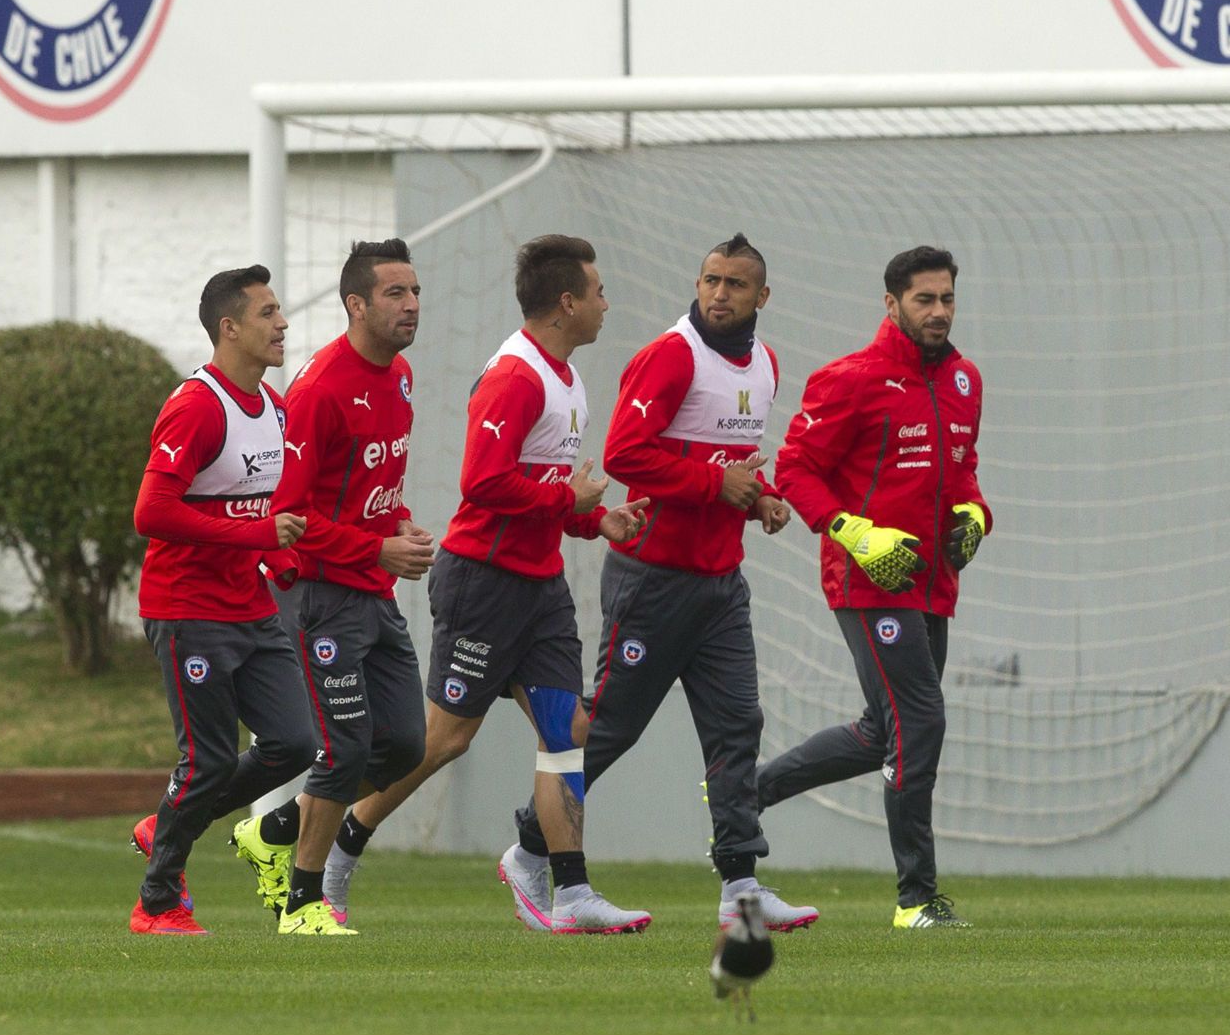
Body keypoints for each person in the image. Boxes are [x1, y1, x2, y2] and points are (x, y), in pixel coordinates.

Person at [323, 234, 653, 934]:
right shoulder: (516, 376)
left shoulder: (565, 377)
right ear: (566, 303)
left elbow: (546, 495)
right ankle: (340, 846)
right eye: (597, 292)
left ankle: (568, 889)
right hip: (483, 585)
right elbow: (483, 483)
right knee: (440, 741)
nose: (604, 304)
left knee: (569, 728)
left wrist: (599, 523)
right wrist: (573, 503)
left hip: (539, 586)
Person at [502, 233, 819, 932]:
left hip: (719, 585)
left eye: (736, 284)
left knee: (738, 727)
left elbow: (730, 461)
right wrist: (719, 483)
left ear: (761, 296)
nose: (719, 293)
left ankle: (741, 885)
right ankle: (530, 846)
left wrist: (759, 494)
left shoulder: (764, 362)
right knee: (608, 727)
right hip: (651, 581)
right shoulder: (670, 355)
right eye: (710, 279)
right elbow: (624, 454)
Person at [754, 245, 991, 930]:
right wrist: (852, 531)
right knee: (920, 721)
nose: (939, 311)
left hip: (931, 583)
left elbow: (964, 469)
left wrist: (976, 515)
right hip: (866, 580)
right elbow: (795, 469)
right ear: (891, 304)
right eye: (925, 299)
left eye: (947, 298)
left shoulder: (966, 380)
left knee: (880, 731)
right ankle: (916, 898)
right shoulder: (850, 378)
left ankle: (744, 790)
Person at [229, 239, 436, 935]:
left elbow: (379, 488)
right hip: (318, 594)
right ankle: (303, 903)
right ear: (356, 304)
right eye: (393, 294)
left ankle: (274, 830)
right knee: (343, 747)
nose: (410, 305)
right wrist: (376, 546)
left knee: (406, 745)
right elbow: (286, 516)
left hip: (372, 590)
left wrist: (400, 530)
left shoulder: (401, 375)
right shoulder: (318, 389)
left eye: (413, 291)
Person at [127, 265, 316, 936]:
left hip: (250, 605)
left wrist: (280, 556)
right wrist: (256, 533)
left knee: (295, 740)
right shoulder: (198, 405)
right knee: (205, 761)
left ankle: (171, 820)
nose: (283, 322)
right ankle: (156, 904)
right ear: (229, 327)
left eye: (280, 311)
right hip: (185, 609)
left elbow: (261, 511)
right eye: (267, 312)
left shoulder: (277, 408)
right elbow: (151, 511)